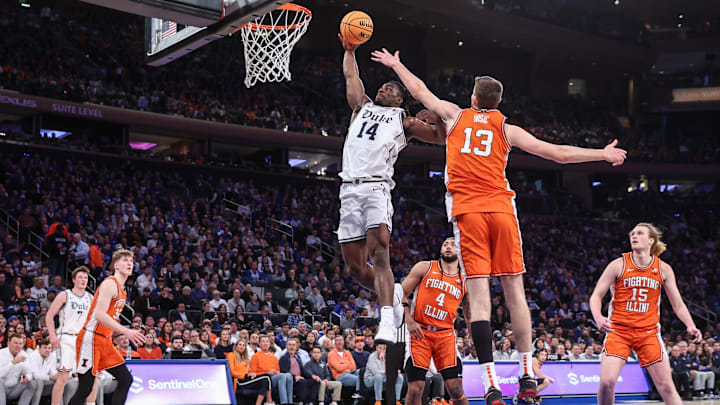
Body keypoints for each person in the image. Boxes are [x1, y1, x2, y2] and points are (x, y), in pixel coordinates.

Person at [371, 50, 627, 405]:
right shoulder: (507, 128)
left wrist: (397, 65)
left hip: (468, 212)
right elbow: (557, 154)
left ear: (473, 98)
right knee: (515, 293)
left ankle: (491, 385)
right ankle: (526, 374)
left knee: (479, 300)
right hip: (503, 210)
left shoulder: (455, 115)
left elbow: (419, 91)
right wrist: (602, 154)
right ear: (498, 102)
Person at [336, 33, 445, 346]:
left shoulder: (404, 121)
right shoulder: (361, 106)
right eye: (382, 86)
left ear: (400, 100)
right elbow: (351, 74)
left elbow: (441, 137)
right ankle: (395, 295)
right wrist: (349, 50)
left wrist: (435, 116)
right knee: (355, 269)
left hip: (376, 189)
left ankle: (385, 317)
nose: (384, 88)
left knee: (380, 251)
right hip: (348, 190)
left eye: (391, 89)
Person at [590, 223, 702, 405]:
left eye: (640, 233)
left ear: (651, 240)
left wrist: (690, 325)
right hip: (619, 331)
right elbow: (596, 296)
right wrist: (598, 317)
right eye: (632, 233)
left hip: (648, 333)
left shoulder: (664, 269)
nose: (634, 236)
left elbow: (678, 305)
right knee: (606, 383)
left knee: (666, 385)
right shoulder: (618, 265)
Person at [70, 249, 146, 405]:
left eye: (131, 261)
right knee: (85, 387)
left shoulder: (123, 290)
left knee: (125, 379)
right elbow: (99, 314)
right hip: (90, 338)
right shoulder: (110, 283)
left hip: (105, 340)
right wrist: (126, 331)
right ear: (116, 265)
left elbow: (110, 318)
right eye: (125, 260)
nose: (129, 263)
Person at [399, 238, 467, 405]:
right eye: (445, 244)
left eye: (452, 244)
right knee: (415, 388)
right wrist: (408, 320)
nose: (448, 246)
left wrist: (473, 336)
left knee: (455, 388)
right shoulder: (425, 267)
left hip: (445, 336)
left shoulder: (465, 279)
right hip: (419, 333)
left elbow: (470, 313)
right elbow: (400, 294)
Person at [45, 266, 95, 405]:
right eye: (80, 277)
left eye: (85, 278)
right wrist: (53, 335)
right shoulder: (64, 295)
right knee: (63, 377)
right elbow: (49, 316)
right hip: (66, 338)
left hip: (83, 340)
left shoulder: (90, 298)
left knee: (91, 377)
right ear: (74, 280)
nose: (83, 280)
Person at [226, 340, 272, 405]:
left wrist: (252, 373)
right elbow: (231, 371)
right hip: (239, 381)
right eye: (240, 345)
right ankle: (269, 401)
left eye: (244, 345)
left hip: (247, 380)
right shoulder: (231, 355)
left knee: (265, 380)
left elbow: (249, 371)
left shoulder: (245, 358)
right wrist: (245, 375)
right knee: (267, 376)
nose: (242, 347)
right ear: (236, 346)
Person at [251, 335, 293, 405]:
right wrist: (267, 372)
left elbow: (278, 371)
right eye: (263, 342)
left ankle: (290, 402)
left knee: (289, 375)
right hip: (263, 379)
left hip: (274, 378)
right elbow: (254, 373)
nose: (265, 343)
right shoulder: (255, 356)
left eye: (267, 341)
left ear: (270, 344)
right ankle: (284, 402)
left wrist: (276, 372)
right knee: (282, 376)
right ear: (259, 344)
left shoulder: (274, 357)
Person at [0, 333, 37, 405]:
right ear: (8, 343)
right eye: (15, 343)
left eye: (20, 343)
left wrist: (27, 377)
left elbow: (29, 372)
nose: (18, 346)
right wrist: (13, 363)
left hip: (14, 389)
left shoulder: (24, 355)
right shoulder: (1, 354)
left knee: (32, 383)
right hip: (1, 389)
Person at [279, 338, 314, 405]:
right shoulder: (284, 358)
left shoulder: (297, 357)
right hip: (290, 380)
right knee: (302, 382)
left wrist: (312, 376)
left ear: (296, 347)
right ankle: (301, 401)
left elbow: (303, 370)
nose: (292, 347)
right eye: (290, 345)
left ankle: (311, 402)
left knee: (314, 381)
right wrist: (295, 376)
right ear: (286, 346)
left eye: (293, 345)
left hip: (299, 378)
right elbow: (283, 372)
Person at [28, 338, 57, 405]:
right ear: (39, 348)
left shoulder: (52, 356)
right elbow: (36, 376)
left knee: (59, 382)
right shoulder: (33, 356)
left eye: (49, 348)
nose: (47, 350)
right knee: (39, 382)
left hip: (46, 380)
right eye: (45, 348)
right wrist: (50, 377)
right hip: (32, 381)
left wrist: (56, 376)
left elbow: (53, 371)